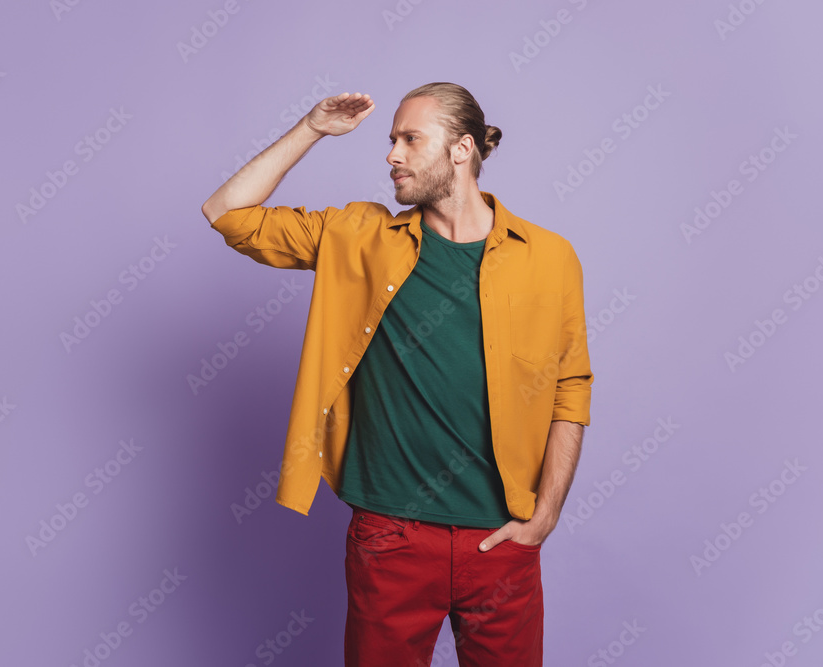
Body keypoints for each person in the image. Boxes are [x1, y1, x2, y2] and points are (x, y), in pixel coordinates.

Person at [202, 82, 593, 667]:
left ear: (462, 150)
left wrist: (547, 514)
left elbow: (570, 387)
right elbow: (227, 213)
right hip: (391, 537)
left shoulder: (550, 256)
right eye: (391, 141)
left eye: (411, 139)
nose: (392, 155)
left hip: (502, 541)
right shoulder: (360, 237)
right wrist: (311, 128)